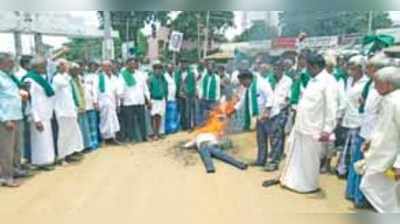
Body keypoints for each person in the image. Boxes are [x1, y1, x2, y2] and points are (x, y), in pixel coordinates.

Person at [267, 52, 337, 193]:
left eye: (308, 67)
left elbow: (331, 107)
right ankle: (292, 182)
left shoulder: (328, 82)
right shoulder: (313, 80)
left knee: (309, 160)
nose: (307, 70)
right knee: (295, 155)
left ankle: (308, 186)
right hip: (301, 125)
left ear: (316, 66)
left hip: (314, 128)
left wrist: (327, 129)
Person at [345, 54, 389, 209]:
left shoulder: (385, 89)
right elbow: (364, 107)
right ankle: (354, 194)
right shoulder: (370, 85)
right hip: (364, 130)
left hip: (374, 134)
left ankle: (363, 198)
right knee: (357, 164)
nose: (367, 70)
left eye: (370, 68)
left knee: (369, 168)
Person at [360, 66, 400, 213]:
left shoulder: (397, 102)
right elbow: (381, 126)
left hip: (391, 159)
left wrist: (398, 164)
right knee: (371, 187)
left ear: (389, 84)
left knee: (386, 195)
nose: (375, 87)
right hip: (381, 156)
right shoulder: (387, 99)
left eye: (377, 83)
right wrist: (370, 140)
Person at [230, 69, 273, 167]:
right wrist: (234, 110)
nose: (242, 85)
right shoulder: (249, 87)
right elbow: (243, 100)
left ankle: (273, 162)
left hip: (268, 116)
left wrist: (266, 112)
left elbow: (270, 96)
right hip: (259, 116)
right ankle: (261, 160)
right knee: (261, 139)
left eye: (242, 83)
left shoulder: (261, 83)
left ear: (247, 79)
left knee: (272, 139)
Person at [337, 55, 369, 178]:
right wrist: (340, 116)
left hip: (358, 120)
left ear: (361, 68)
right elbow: (344, 100)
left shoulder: (365, 83)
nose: (351, 70)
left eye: (354, 68)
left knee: (355, 147)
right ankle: (343, 169)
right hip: (347, 118)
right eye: (350, 67)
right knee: (346, 145)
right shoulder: (348, 81)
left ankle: (350, 171)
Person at [22, 56, 56, 171]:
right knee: (39, 140)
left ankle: (48, 160)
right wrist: (36, 118)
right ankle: (40, 162)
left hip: (45, 113)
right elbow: (31, 100)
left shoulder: (40, 78)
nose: (45, 68)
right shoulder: (29, 79)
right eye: (43, 66)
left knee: (46, 139)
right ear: (37, 67)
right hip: (38, 114)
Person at [0, 53, 27, 187]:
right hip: (7, 118)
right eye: (9, 62)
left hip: (17, 115)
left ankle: (15, 169)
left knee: (17, 147)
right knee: (6, 149)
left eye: (12, 62)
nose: (12, 64)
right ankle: (6, 176)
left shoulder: (10, 77)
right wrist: (5, 119)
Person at [52, 59, 84, 164]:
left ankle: (69, 154)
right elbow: (63, 84)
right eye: (65, 65)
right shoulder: (57, 78)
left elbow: (70, 95)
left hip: (70, 110)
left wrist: (75, 107)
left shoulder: (67, 79)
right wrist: (67, 73)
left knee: (72, 134)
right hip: (62, 112)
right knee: (63, 135)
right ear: (59, 66)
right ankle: (61, 157)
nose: (67, 67)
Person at [264, 60, 293, 172]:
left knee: (276, 135)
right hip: (271, 111)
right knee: (276, 136)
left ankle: (274, 161)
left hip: (281, 111)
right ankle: (277, 155)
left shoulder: (288, 81)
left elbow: (289, 97)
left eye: (278, 69)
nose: (276, 71)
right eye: (274, 69)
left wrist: (283, 106)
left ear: (283, 70)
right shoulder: (269, 80)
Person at [118, 58, 150, 143]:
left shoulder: (140, 74)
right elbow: (120, 90)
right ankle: (131, 138)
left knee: (142, 121)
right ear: (127, 65)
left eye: (134, 63)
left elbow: (145, 88)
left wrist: (148, 99)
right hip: (128, 102)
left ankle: (144, 137)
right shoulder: (123, 75)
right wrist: (120, 101)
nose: (132, 65)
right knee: (129, 122)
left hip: (140, 101)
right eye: (130, 64)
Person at [96, 60, 121, 145]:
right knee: (104, 120)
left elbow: (118, 92)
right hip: (103, 101)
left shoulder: (115, 77)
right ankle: (104, 138)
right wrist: (95, 102)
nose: (107, 68)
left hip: (112, 101)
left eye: (109, 66)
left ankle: (112, 138)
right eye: (105, 66)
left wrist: (118, 104)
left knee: (112, 120)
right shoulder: (99, 77)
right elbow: (95, 90)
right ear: (102, 67)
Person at [70, 63, 93, 151]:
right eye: (75, 69)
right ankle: (79, 148)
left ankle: (86, 145)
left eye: (78, 69)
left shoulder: (78, 78)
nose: (77, 71)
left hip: (82, 104)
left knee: (84, 126)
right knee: (78, 128)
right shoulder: (69, 80)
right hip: (75, 106)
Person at [148, 61, 168, 140]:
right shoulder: (150, 78)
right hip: (154, 100)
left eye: (160, 68)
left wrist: (165, 98)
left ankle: (158, 133)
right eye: (156, 68)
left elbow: (165, 88)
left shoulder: (162, 78)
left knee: (159, 117)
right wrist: (149, 101)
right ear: (154, 69)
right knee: (153, 117)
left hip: (161, 100)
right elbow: (148, 90)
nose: (158, 70)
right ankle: (154, 134)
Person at [83, 61, 100, 149]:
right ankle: (88, 143)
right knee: (87, 125)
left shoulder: (96, 77)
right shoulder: (84, 76)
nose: (92, 68)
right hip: (84, 104)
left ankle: (95, 142)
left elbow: (95, 90)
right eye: (91, 66)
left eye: (94, 66)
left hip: (92, 103)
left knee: (93, 124)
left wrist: (95, 101)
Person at [199, 60, 221, 124]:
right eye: (208, 67)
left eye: (211, 67)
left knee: (213, 115)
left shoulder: (217, 77)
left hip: (213, 100)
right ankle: (205, 128)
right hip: (205, 99)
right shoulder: (204, 76)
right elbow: (201, 86)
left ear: (214, 68)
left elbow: (218, 89)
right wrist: (201, 96)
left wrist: (218, 99)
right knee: (205, 115)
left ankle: (212, 129)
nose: (209, 69)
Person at [181, 61, 198, 130]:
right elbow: (183, 83)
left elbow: (195, 83)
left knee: (194, 110)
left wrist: (196, 91)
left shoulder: (192, 74)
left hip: (193, 94)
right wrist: (186, 91)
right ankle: (189, 126)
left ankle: (193, 125)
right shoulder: (186, 74)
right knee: (188, 111)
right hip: (188, 95)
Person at [164, 63, 179, 134]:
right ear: (166, 69)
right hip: (168, 99)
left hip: (173, 98)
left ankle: (172, 129)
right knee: (168, 116)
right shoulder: (164, 76)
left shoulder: (173, 76)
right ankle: (168, 130)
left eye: (172, 68)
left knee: (173, 115)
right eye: (169, 68)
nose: (171, 69)